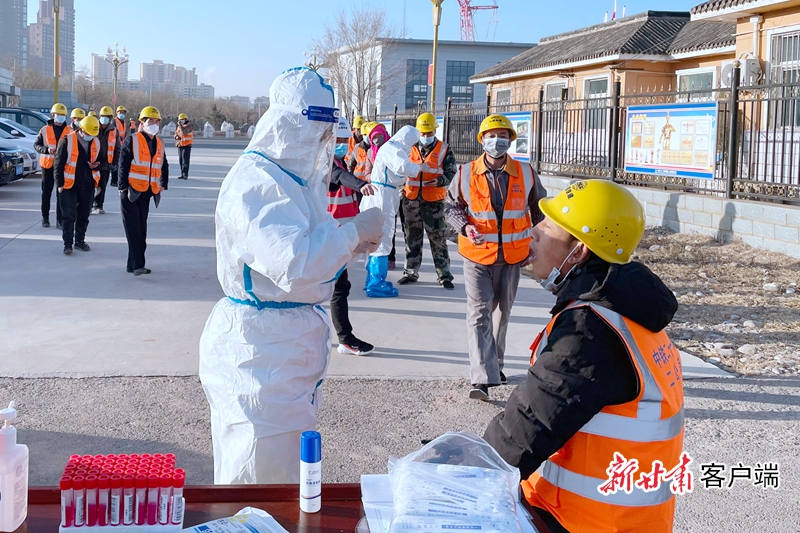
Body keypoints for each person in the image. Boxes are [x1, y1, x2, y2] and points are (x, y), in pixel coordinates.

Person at [198, 67, 384, 485]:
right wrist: (354, 231)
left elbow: (310, 246)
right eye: (316, 127)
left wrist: (353, 242)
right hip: (258, 353)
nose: (324, 139)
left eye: (328, 129)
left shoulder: (294, 180)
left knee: (285, 474)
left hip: (284, 348)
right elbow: (296, 264)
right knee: (257, 477)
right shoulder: (256, 183)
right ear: (289, 123)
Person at [483, 180, 683, 533]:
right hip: (623, 520)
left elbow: (526, 430)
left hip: (587, 523)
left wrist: (461, 473)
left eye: (548, 226)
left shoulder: (588, 331)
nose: (534, 232)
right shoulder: (628, 314)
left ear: (580, 251)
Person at [446, 114, 546, 400]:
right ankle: (481, 379)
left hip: (512, 257)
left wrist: (536, 244)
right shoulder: (465, 173)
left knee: (502, 314)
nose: (496, 140)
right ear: (482, 140)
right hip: (476, 256)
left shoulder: (526, 173)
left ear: (510, 140)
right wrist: (464, 226)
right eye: (490, 135)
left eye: (502, 135)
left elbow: (539, 210)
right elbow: (452, 207)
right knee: (479, 314)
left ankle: (496, 366)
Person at [328, 116, 378, 356]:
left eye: (343, 140)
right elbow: (337, 177)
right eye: (336, 139)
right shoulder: (324, 163)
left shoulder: (339, 159)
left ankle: (343, 337)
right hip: (330, 233)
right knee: (337, 287)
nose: (340, 143)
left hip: (343, 232)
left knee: (339, 286)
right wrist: (360, 184)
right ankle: (345, 338)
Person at [360, 125, 421, 298]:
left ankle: (372, 279)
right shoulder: (392, 149)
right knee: (382, 237)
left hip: (386, 194)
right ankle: (376, 284)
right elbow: (403, 167)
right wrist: (419, 168)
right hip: (382, 197)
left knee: (376, 238)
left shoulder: (393, 148)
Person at [398, 113, 457, 290]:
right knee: (411, 238)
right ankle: (410, 272)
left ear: (434, 130)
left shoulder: (444, 149)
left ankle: (444, 275)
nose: (425, 136)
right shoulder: (408, 148)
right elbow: (398, 169)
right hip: (411, 200)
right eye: (422, 133)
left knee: (438, 239)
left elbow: (452, 173)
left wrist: (439, 181)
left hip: (433, 202)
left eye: (428, 132)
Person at [117, 106, 169, 275]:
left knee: (141, 229)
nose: (154, 124)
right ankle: (138, 265)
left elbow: (164, 165)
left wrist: (163, 183)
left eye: (156, 121)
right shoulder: (132, 140)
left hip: (148, 192)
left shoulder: (159, 143)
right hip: (131, 191)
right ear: (142, 123)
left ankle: (132, 264)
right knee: (134, 230)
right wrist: (122, 187)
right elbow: (123, 164)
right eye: (150, 121)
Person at [54, 115, 101, 255]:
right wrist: (59, 184)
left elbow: (103, 160)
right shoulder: (66, 141)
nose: (90, 137)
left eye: (93, 134)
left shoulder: (96, 142)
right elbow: (58, 164)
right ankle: (67, 243)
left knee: (84, 215)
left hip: (88, 185)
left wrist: (97, 165)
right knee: (68, 216)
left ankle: (79, 240)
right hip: (69, 185)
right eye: (88, 134)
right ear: (81, 129)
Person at [34, 103, 70, 229]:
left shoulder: (70, 131)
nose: (60, 117)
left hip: (62, 167)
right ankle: (45, 218)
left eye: (62, 115)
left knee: (61, 194)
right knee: (46, 193)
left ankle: (60, 220)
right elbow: (36, 145)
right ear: (52, 115)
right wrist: (45, 150)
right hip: (48, 166)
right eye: (58, 114)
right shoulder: (44, 130)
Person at [93, 106, 119, 215]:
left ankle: (99, 206)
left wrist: (115, 163)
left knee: (102, 186)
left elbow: (117, 148)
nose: (104, 119)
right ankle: (88, 205)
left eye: (107, 117)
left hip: (106, 163)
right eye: (103, 116)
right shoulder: (93, 127)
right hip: (93, 162)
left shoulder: (113, 130)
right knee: (90, 186)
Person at [174, 113, 193, 180]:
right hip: (180, 145)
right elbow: (177, 133)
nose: (181, 121)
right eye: (180, 120)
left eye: (182, 119)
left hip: (187, 145)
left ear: (185, 119)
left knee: (185, 161)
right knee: (181, 160)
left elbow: (183, 132)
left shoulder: (189, 126)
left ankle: (185, 174)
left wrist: (180, 125)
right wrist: (176, 137)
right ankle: (182, 174)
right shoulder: (179, 126)